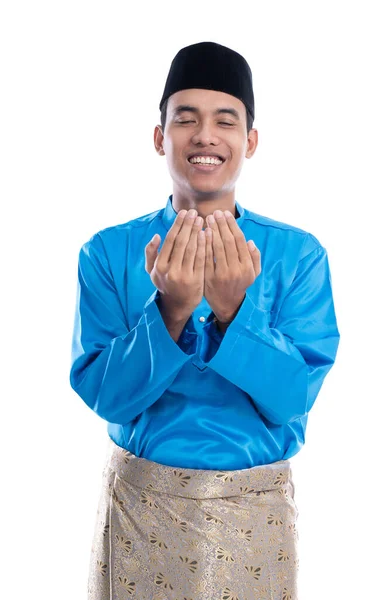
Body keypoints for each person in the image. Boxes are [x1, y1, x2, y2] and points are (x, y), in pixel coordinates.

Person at [70, 41, 340, 600]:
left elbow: (293, 397)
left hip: (253, 513)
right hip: (140, 510)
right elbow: (109, 398)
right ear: (159, 137)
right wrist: (169, 308)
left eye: (226, 120)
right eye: (185, 119)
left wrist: (233, 311)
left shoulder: (297, 255)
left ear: (251, 140)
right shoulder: (109, 252)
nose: (205, 136)